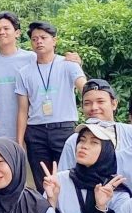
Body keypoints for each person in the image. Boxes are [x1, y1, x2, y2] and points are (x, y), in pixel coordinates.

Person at [15, 21, 86, 184]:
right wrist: (20, 141)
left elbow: (85, 89)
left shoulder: (68, 64)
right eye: (34, 39)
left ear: (54, 41)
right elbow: (22, 110)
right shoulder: (24, 73)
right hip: (36, 132)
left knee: (69, 177)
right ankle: (47, 210)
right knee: (43, 181)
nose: (38, 41)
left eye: (43, 37)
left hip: (63, 128)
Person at [56, 78, 132, 170]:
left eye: (100, 102)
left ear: (114, 104)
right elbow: (64, 178)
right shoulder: (73, 141)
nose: (94, 107)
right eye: (87, 103)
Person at [0, 12, 37, 142]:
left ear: (17, 33)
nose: (2, 32)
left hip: (29, 133)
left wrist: (75, 61)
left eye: (6, 28)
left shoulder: (31, 59)